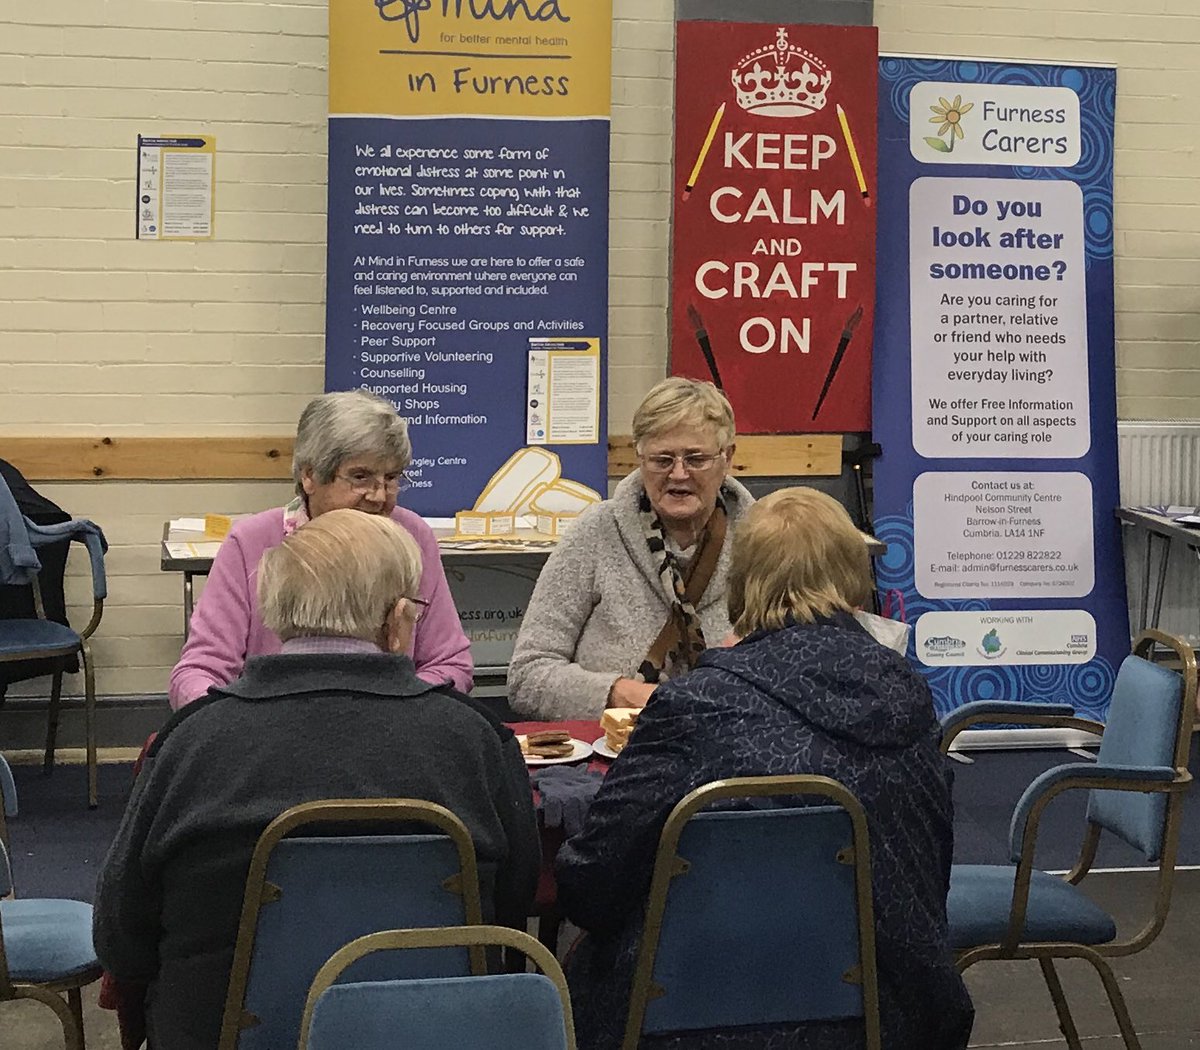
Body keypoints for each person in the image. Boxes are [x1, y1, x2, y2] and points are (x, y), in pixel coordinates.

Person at [95, 509, 539, 1050]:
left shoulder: (189, 742)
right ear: (398, 620)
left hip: (220, 1032)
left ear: (275, 611)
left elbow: (122, 938)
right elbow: (512, 910)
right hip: (432, 1030)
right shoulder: (476, 740)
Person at [556, 488, 973, 1050]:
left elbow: (591, 886)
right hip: (886, 1016)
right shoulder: (911, 701)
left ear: (742, 580)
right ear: (854, 577)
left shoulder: (693, 706)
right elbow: (931, 871)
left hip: (689, 1019)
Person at [168, 389, 472, 709]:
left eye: (392, 478)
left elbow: (451, 664)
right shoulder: (251, 543)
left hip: (389, 731)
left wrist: (390, 708)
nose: (380, 496)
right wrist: (232, 722)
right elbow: (200, 670)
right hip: (272, 727)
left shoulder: (414, 536)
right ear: (310, 476)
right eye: (360, 477)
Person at [508, 378, 754, 720]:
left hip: (735, 748)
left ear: (727, 458)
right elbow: (527, 677)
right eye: (662, 460)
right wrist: (619, 694)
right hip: (610, 754)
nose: (679, 474)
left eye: (696, 459)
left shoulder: (764, 543)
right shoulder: (595, 533)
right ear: (639, 457)